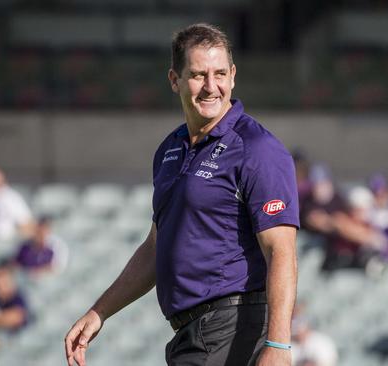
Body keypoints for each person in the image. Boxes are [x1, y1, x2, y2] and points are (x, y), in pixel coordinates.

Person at [65, 23, 299, 366]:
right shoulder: (169, 150)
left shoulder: (257, 148)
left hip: (234, 329)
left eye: (220, 73)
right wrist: (99, 312)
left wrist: (278, 346)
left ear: (233, 76)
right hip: (190, 335)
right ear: (174, 79)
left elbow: (282, 251)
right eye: (198, 75)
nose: (211, 86)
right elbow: (157, 246)